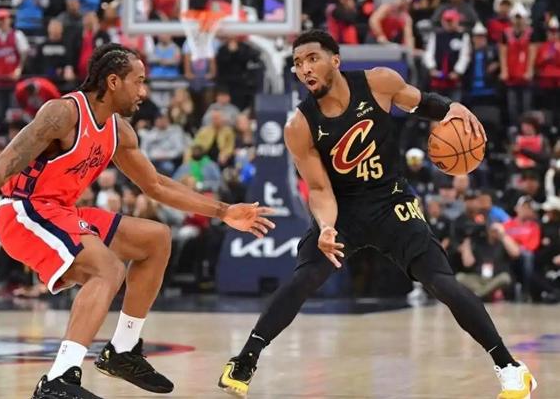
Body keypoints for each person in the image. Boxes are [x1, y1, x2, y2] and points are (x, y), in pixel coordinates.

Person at [0, 43, 275, 399]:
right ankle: (58, 379)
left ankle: (122, 350)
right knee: (107, 269)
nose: (144, 91)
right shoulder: (62, 114)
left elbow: (156, 185)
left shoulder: (119, 130)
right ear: (113, 81)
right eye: (138, 81)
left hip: (63, 212)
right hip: (23, 211)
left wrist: (223, 211)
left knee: (156, 238)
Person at [218, 30, 536, 399]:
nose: (305, 68)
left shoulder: (378, 82)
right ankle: (245, 360)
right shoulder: (299, 126)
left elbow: (422, 103)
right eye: (298, 63)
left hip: (391, 200)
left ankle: (511, 368)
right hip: (343, 209)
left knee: (440, 282)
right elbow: (319, 189)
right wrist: (326, 227)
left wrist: (453, 108)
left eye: (312, 58)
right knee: (304, 279)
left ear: (335, 60)